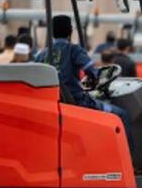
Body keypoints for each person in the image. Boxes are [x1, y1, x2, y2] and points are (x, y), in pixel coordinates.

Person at [35, 15, 133, 150]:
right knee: (121, 114)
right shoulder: (74, 50)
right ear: (70, 31)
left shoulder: (41, 54)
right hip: (78, 101)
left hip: (54, 103)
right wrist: (95, 77)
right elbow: (92, 72)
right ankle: (130, 162)